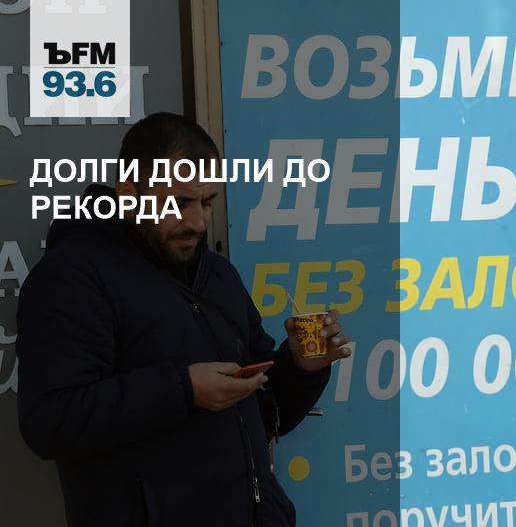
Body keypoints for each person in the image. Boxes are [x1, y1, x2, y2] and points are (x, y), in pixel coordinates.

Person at [16, 112, 351, 526]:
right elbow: (50, 423)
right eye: (178, 203)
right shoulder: (73, 278)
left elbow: (266, 410)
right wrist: (183, 390)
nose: (197, 222)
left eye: (206, 202)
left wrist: (300, 367)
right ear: (128, 194)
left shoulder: (219, 275)